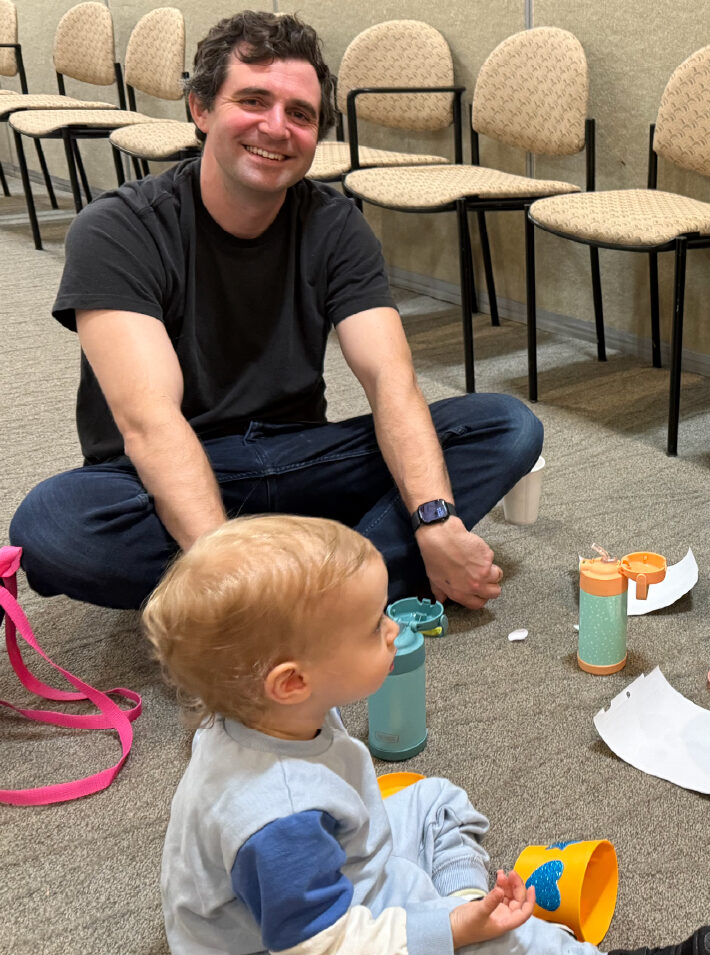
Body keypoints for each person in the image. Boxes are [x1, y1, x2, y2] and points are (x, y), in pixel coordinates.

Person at [8, 11, 541, 612]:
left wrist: (437, 519)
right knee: (54, 527)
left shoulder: (336, 226)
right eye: (253, 100)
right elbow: (150, 425)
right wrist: (228, 565)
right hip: (165, 472)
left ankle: (283, 592)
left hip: (300, 458)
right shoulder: (117, 229)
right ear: (201, 109)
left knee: (503, 427)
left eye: (301, 114)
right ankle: (322, 586)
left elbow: (391, 382)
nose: (276, 128)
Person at [144, 514, 710, 955]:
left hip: (339, 876)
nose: (394, 628)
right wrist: (451, 933)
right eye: (375, 625)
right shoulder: (278, 822)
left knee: (435, 798)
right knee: (499, 945)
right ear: (292, 681)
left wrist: (458, 909)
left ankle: (465, 897)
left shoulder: (267, 713)